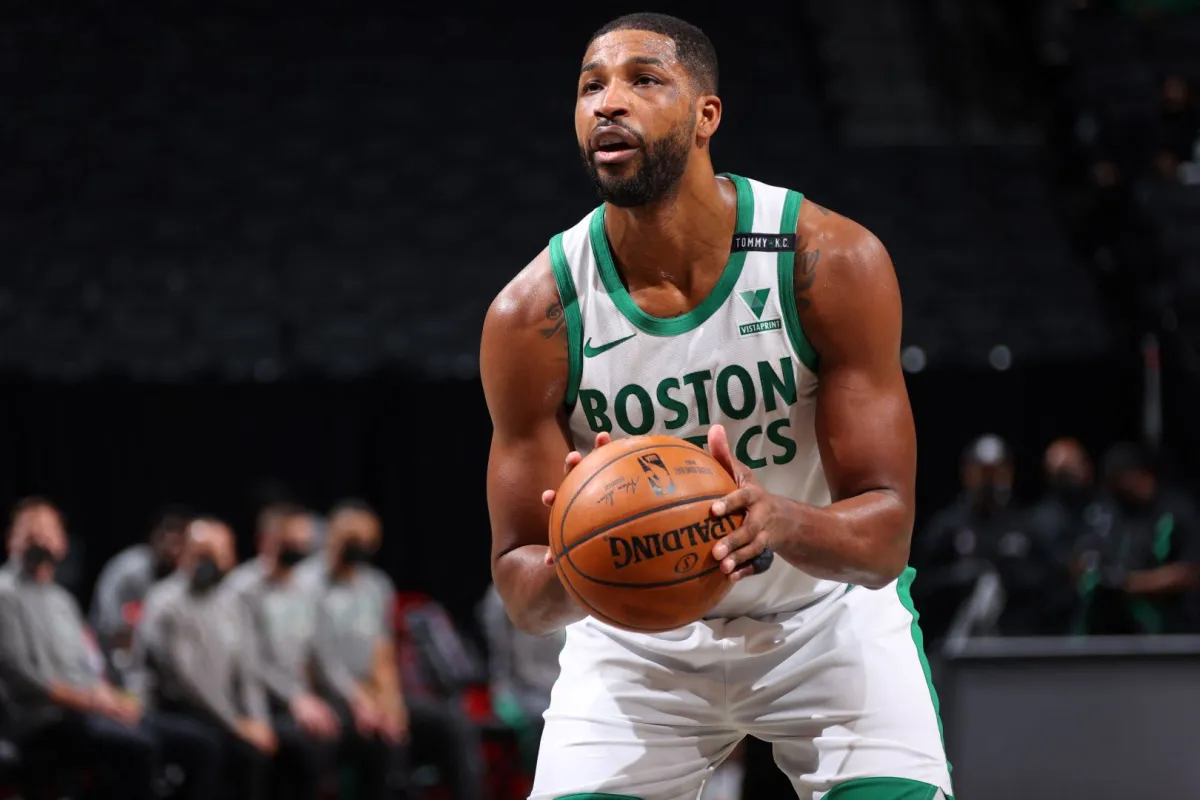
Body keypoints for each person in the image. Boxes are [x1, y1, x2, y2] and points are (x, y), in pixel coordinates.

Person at [480, 13, 950, 799]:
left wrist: (779, 520)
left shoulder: (825, 263)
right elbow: (520, 589)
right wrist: (589, 550)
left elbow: (885, 537)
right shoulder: (534, 316)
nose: (608, 103)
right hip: (637, 644)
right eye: (590, 86)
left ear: (707, 116)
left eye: (644, 79)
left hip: (822, 617)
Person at [0, 497, 157, 800]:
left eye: (48, 532)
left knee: (158, 729)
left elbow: (86, 667)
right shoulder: (4, 594)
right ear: (11, 541)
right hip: (36, 719)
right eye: (30, 533)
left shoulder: (62, 600)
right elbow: (21, 675)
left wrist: (113, 699)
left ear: (62, 544)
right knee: (140, 748)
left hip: (79, 712)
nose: (40, 540)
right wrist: (96, 703)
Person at [151, 517, 276, 800]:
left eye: (218, 553)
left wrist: (259, 721)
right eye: (201, 552)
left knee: (265, 750)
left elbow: (248, 672)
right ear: (184, 554)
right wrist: (237, 725)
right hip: (178, 709)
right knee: (213, 747)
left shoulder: (232, 603)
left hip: (223, 713)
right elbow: (188, 682)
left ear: (230, 558)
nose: (209, 560)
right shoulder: (166, 603)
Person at [237, 506, 340, 800]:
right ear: (266, 541)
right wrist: (296, 698)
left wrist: (358, 700)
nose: (297, 550)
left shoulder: (306, 588)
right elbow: (249, 662)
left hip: (303, 698)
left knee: (370, 736)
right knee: (307, 749)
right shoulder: (242, 589)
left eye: (302, 543)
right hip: (261, 702)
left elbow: (323, 653)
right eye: (289, 543)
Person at [1075, 443, 1200, 635]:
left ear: (1142, 475)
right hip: (1112, 627)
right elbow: (1079, 559)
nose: (1117, 489)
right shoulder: (1108, 511)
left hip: (1168, 628)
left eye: (1121, 480)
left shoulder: (1178, 511)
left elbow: (1189, 573)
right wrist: (1094, 573)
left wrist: (1129, 583)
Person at [90, 506, 189, 655]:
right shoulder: (128, 570)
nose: (172, 550)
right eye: (167, 540)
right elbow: (106, 625)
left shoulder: (183, 575)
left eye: (178, 544)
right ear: (154, 538)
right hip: (110, 655)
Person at [226, 501, 305, 596]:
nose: (295, 549)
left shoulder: (307, 582)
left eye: (298, 543)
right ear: (265, 540)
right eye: (287, 543)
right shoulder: (242, 585)